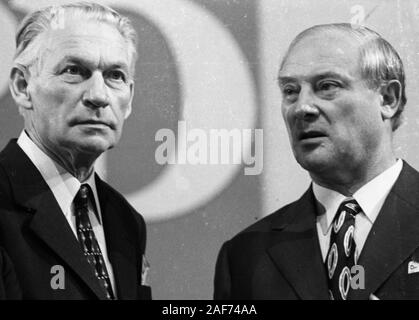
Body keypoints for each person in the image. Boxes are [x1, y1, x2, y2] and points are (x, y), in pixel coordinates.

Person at [214, 23, 419, 300]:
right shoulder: (244, 256)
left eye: (327, 86)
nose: (301, 107)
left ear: (387, 99)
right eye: (290, 90)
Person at [0, 2, 151, 300]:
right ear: (22, 86)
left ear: (129, 99)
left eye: (115, 76)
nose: (98, 95)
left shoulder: (126, 220)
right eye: (74, 71)